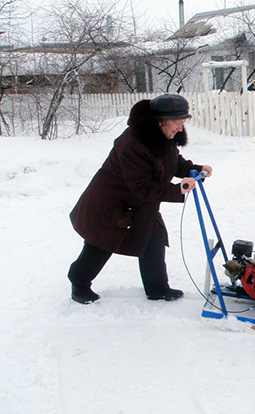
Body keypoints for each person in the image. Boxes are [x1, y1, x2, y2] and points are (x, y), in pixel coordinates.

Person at [67, 94, 212, 304]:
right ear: (161, 120)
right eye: (178, 123)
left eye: (183, 124)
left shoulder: (162, 137)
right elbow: (141, 187)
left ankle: (157, 288)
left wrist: (194, 169)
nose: (181, 129)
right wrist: (177, 190)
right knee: (101, 243)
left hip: (138, 203)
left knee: (154, 236)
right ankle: (79, 282)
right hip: (110, 203)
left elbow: (172, 161)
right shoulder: (133, 145)